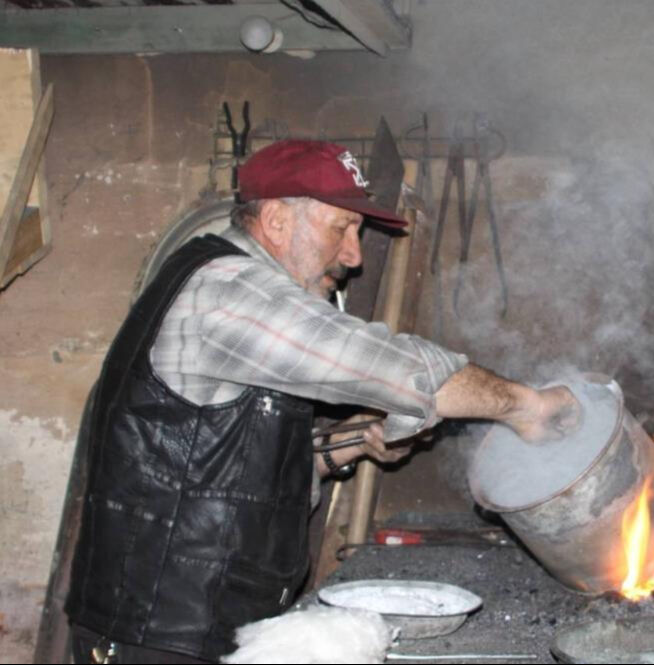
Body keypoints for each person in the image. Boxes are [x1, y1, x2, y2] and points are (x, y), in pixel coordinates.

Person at [65, 140, 580, 663]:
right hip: (159, 636)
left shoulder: (232, 290)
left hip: (199, 627)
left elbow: (225, 469)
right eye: (341, 228)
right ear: (277, 220)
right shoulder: (229, 291)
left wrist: (344, 445)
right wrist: (524, 405)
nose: (355, 256)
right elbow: (392, 367)